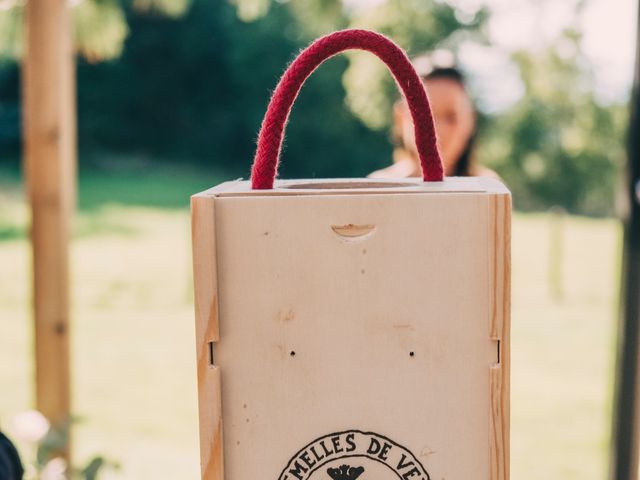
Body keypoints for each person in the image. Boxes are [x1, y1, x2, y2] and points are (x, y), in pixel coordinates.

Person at [369, 62, 498, 179]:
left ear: (471, 120)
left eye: (451, 117)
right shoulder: (379, 187)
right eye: (423, 115)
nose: (437, 131)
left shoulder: (488, 188)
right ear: (400, 117)